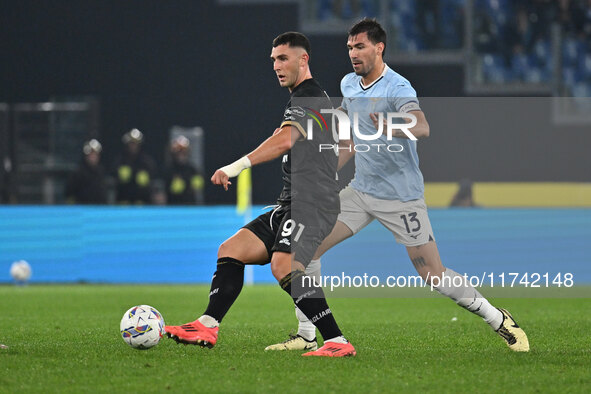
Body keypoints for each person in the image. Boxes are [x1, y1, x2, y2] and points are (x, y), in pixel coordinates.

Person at [266, 19, 529, 353]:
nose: (353, 54)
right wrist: (326, 174)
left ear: (379, 48)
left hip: (401, 198)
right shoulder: (349, 84)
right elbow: (348, 138)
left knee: (433, 274)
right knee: (303, 252)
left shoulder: (397, 88)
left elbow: (422, 127)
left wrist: (389, 124)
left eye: (360, 47)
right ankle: (306, 334)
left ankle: (499, 320)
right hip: (360, 192)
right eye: (349, 48)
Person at [164, 32, 356, 357]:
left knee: (283, 266)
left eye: (283, 58)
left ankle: (337, 342)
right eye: (273, 60)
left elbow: (284, 141)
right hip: (289, 201)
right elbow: (346, 145)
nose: (276, 66)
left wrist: (236, 167)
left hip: (309, 204)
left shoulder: (308, 95)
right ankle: (208, 325)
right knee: (232, 249)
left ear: (303, 59)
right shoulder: (309, 99)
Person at [113, 129, 156, 204]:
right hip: (123, 201)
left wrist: (146, 179)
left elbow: (152, 180)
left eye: (136, 143)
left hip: (142, 202)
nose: (133, 146)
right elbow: (113, 178)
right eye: (131, 143)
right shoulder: (120, 161)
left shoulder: (146, 162)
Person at [65, 139, 107, 204]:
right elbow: (69, 193)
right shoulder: (78, 172)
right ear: (86, 156)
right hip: (82, 208)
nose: (93, 157)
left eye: (95, 154)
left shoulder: (101, 171)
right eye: (91, 154)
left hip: (98, 208)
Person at [165, 135, 204, 205]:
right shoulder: (168, 170)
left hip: (190, 206)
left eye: (184, 153)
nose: (181, 155)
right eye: (178, 153)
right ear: (173, 154)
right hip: (173, 206)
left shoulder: (193, 169)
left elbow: (198, 185)